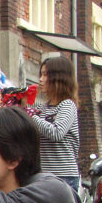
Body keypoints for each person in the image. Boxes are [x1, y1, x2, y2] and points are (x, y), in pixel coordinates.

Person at [24, 55, 81, 194]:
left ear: (59, 78)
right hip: (43, 175)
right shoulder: (42, 108)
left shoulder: (67, 105)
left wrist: (31, 115)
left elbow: (56, 132)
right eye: (41, 74)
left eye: (45, 75)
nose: (41, 80)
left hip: (64, 176)